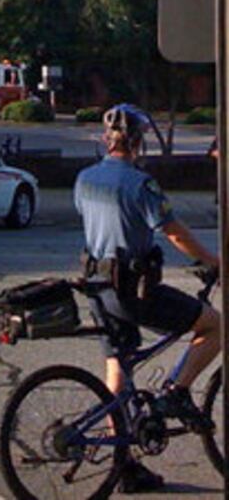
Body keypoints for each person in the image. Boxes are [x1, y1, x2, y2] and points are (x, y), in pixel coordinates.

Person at [74, 103, 221, 494]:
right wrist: (211, 260)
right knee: (214, 324)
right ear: (138, 141)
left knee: (118, 365)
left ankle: (125, 465)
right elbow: (171, 230)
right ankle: (176, 393)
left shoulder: (84, 179)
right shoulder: (141, 184)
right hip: (134, 290)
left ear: (108, 139)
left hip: (96, 287)